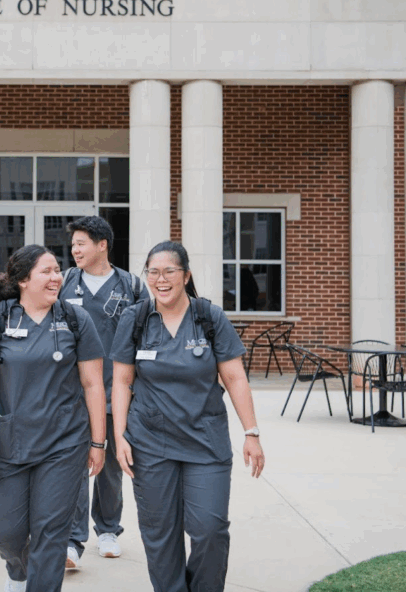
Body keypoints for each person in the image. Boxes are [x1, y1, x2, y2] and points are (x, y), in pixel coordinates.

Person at [111, 241, 265, 592]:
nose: (160, 279)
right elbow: (121, 380)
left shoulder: (209, 318)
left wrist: (251, 432)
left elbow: (235, 376)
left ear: (186, 275)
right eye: (153, 272)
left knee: (210, 529)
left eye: (169, 271)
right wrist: (120, 435)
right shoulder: (135, 319)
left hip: (205, 442)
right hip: (149, 443)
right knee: (159, 534)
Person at [0, 244, 108, 592]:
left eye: (57, 271)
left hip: (64, 443)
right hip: (9, 441)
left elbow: (93, 385)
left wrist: (97, 441)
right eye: (46, 271)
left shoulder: (76, 320)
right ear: (22, 280)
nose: (56, 277)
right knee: (7, 532)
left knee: (51, 533)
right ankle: (18, 571)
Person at [59, 216, 148, 568]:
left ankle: (108, 529)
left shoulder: (132, 286)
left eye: (81, 243)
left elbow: (143, 336)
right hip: (73, 392)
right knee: (76, 464)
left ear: (102, 245)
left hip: (117, 392)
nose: (74, 250)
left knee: (111, 463)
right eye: (74, 244)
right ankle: (72, 540)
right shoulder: (65, 282)